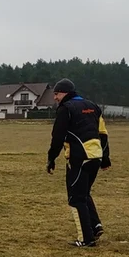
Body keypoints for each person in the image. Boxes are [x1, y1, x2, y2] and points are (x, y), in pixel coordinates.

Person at [46, 78, 111, 247]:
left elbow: (58, 137)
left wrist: (51, 158)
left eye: (57, 94)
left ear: (65, 93)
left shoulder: (65, 109)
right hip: (95, 156)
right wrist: (105, 158)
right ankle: (95, 227)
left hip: (79, 158)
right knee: (84, 193)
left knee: (76, 198)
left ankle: (86, 239)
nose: (55, 98)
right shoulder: (93, 106)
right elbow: (103, 133)